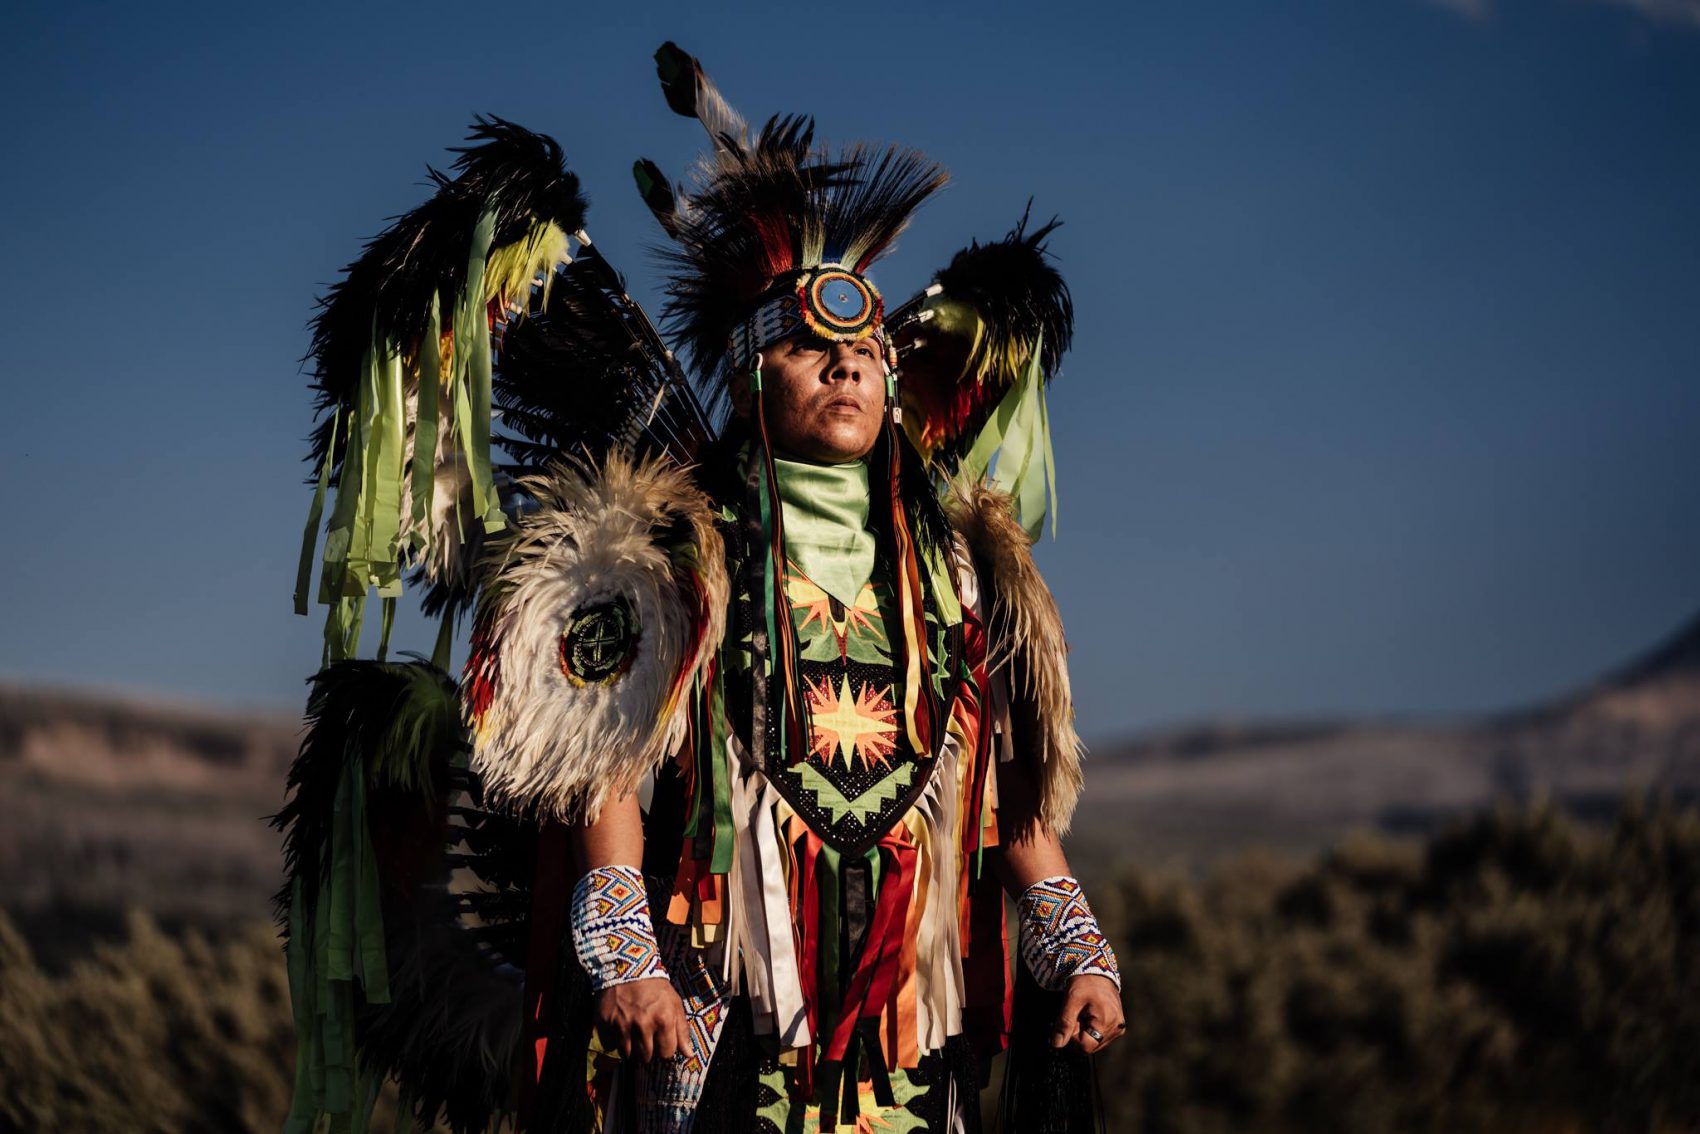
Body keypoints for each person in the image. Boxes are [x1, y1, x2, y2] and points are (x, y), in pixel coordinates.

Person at [277, 42, 1122, 1134]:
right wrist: (625, 960)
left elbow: (1010, 815)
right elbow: (605, 776)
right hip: (715, 1040)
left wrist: (1077, 949)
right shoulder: (674, 559)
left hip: (908, 1052)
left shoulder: (958, 578)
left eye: (864, 348)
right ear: (750, 377)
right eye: (809, 348)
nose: (845, 367)